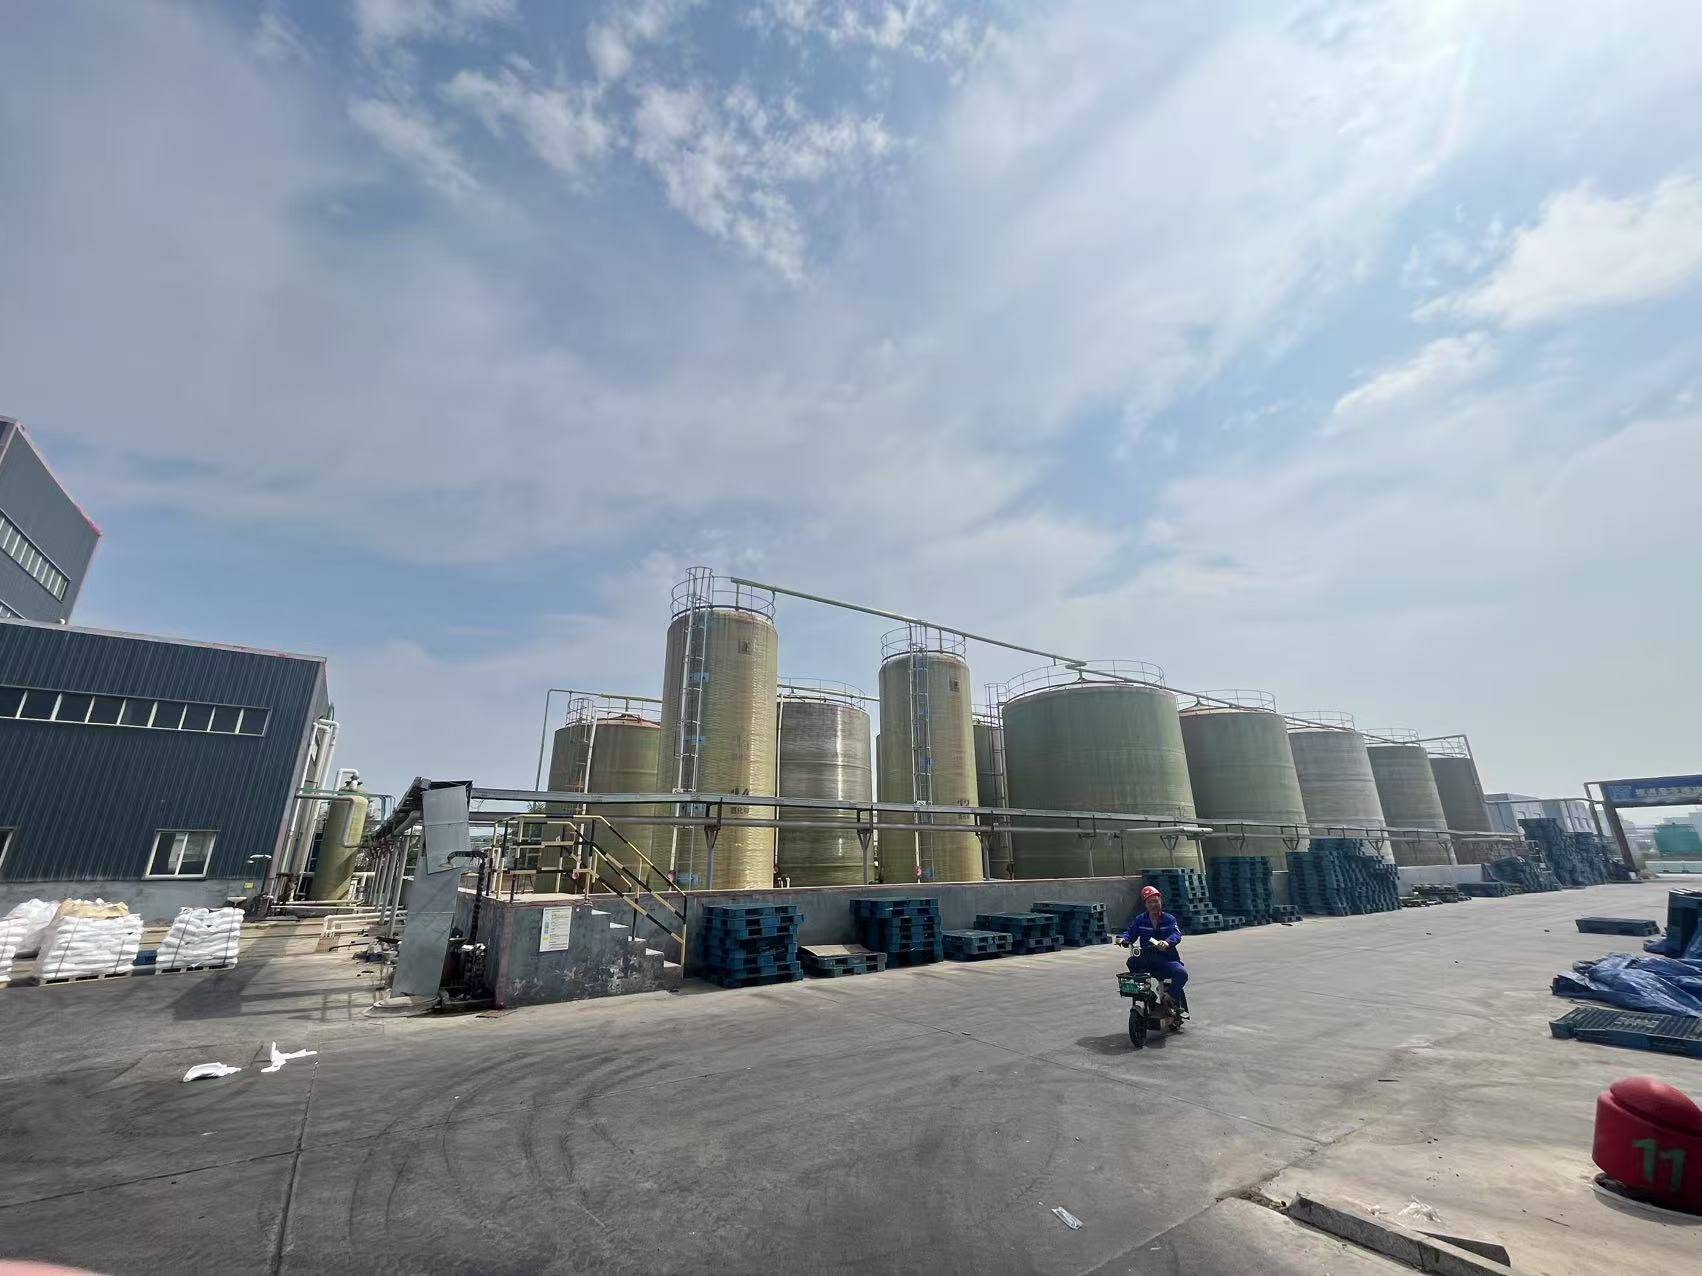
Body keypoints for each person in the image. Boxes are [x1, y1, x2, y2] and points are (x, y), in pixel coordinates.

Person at [1119, 885, 1189, 1016]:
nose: (1153, 905)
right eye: (1150, 902)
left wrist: (1167, 942)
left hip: (1167, 958)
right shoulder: (1140, 920)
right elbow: (1130, 933)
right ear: (1145, 904)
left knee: (1181, 974)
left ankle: (1170, 998)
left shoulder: (1169, 919)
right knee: (1132, 962)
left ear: (1160, 901)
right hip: (1147, 957)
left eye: (1156, 901)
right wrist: (1124, 939)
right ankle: (1148, 994)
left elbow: (1176, 934)